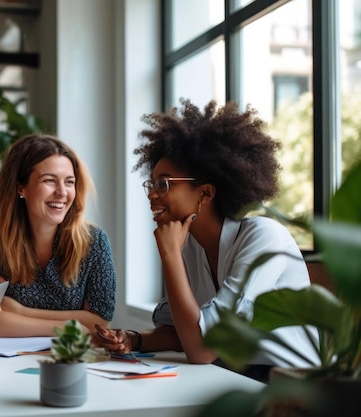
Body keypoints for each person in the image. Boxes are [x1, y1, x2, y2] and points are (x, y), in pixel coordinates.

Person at [94, 99, 318, 382]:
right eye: (151, 184)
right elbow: (184, 332)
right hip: (229, 374)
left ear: (206, 194)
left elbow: (201, 349)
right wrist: (132, 339)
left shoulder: (263, 237)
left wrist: (170, 256)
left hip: (286, 386)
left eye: (164, 184)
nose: (151, 194)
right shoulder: (190, 245)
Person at [0, 134, 116, 337]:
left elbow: (99, 321)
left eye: (69, 182)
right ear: (21, 188)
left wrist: (19, 312)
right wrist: (71, 327)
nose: (62, 192)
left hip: (69, 358)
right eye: (50, 181)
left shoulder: (94, 241)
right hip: (2, 363)